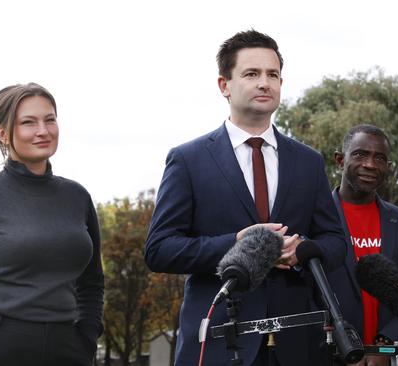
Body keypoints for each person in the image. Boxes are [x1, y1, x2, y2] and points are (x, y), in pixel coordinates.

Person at [144, 30, 346, 366]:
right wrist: (236, 245)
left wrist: (304, 250)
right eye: (252, 74)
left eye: (273, 75)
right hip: (221, 341)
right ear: (224, 85)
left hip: (297, 345)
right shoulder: (188, 160)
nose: (264, 83)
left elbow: (337, 243)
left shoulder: (308, 161)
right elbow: (159, 249)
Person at [0, 83, 104, 366]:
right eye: (28, 122)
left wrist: (87, 338)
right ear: (3, 133)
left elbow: (92, 283)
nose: (43, 130)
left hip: (66, 348)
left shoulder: (77, 197)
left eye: (50, 119)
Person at [327, 124, 398, 366]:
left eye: (380, 158)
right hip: (329, 354)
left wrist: (386, 345)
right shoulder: (315, 219)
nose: (370, 164)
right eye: (361, 154)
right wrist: (343, 342)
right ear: (340, 160)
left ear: (388, 168)